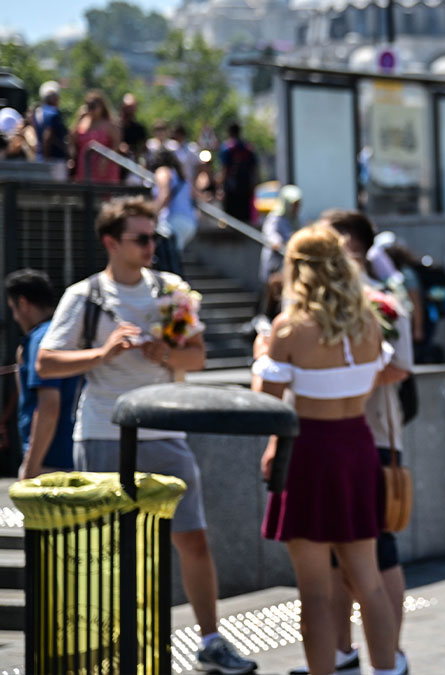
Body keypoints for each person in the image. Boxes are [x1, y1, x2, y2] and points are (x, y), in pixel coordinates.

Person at [35, 197, 257, 673]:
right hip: (103, 432)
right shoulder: (85, 295)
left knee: (193, 538)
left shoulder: (170, 290)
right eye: (140, 238)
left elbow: (196, 357)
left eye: (153, 237)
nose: (150, 246)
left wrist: (165, 354)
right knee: (104, 547)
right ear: (111, 243)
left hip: (165, 430)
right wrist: (102, 354)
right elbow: (46, 362)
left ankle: (210, 641)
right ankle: (107, 648)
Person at [253, 225, 403, 675]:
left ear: (297, 269)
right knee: (369, 581)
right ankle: (387, 670)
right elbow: (372, 380)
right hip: (357, 446)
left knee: (315, 591)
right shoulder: (368, 322)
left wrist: (261, 356)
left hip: (309, 452)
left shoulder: (288, 328)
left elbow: (266, 405)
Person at [316, 209, 415, 675]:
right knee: (333, 557)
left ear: (351, 245)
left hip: (372, 437)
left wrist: (342, 376)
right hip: (324, 440)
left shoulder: (382, 302)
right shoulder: (316, 302)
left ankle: (390, 656)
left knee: (380, 551)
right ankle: (341, 652)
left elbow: (401, 367)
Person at [5, 269, 80, 479]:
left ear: (23, 304)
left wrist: (32, 464)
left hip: (52, 461)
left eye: (13, 309)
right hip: (68, 454)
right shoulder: (61, 334)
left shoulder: (42, 341)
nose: (15, 317)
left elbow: (48, 407)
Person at [149, 148, 198, 259]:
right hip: (190, 223)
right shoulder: (181, 176)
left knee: (167, 259)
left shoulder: (163, 171)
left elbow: (165, 195)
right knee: (173, 258)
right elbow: (195, 195)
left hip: (173, 222)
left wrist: (151, 214)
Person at [69, 91, 121, 184]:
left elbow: (116, 145)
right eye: (89, 106)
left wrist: (106, 159)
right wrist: (78, 119)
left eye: (93, 106)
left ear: (101, 107)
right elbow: (72, 139)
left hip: (104, 167)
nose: (91, 109)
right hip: (85, 165)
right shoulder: (82, 122)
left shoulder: (109, 124)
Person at [260, 185, 302, 283]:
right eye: (294, 204)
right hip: (276, 262)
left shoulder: (297, 219)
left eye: (298, 204)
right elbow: (270, 233)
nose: (296, 207)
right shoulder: (275, 218)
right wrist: (277, 242)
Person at [219, 122, 258, 224]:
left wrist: (221, 188)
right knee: (245, 220)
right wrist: (253, 187)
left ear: (229, 132)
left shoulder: (226, 148)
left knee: (231, 221)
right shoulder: (248, 148)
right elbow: (254, 170)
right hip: (246, 189)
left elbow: (224, 170)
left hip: (231, 190)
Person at [32, 80, 69, 179]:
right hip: (54, 160)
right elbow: (47, 136)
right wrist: (47, 160)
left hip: (39, 158)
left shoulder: (37, 112)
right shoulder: (54, 113)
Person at [117, 93, 147, 182]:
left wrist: (136, 154)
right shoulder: (113, 126)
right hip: (114, 165)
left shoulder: (139, 128)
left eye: (132, 107)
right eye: (127, 107)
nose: (129, 110)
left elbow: (143, 148)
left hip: (132, 167)